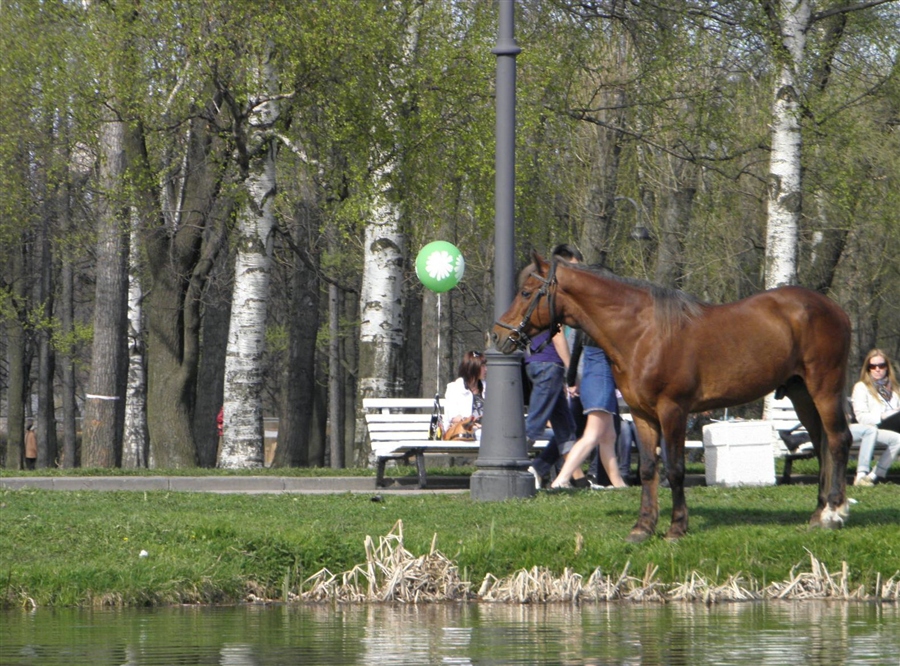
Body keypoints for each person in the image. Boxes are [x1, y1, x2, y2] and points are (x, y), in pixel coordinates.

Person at [551, 327, 627, 488]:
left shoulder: (584, 327)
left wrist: (572, 381)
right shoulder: (604, 327)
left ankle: (618, 484)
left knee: (608, 437)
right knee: (592, 436)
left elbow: (575, 355)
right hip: (601, 379)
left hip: (591, 378)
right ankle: (561, 480)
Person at [851, 348, 900, 486]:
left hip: (892, 428)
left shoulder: (895, 389)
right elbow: (861, 417)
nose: (877, 369)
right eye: (873, 366)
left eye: (881, 366)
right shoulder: (861, 387)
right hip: (871, 429)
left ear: (887, 368)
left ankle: (872, 476)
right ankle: (865, 475)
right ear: (868, 369)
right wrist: (882, 416)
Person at [443, 350, 487, 436]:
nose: (486, 369)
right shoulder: (454, 388)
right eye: (482, 366)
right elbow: (453, 417)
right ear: (473, 367)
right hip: (463, 434)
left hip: (487, 433)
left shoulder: (488, 388)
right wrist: (472, 424)